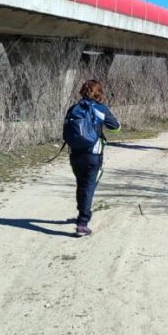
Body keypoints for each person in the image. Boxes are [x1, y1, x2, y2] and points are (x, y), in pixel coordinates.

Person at [68, 80, 120, 237]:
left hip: (74, 153)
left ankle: (81, 215)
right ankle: (82, 224)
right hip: (93, 154)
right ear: (98, 93)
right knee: (89, 185)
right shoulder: (100, 109)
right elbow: (116, 127)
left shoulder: (73, 109)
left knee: (81, 183)